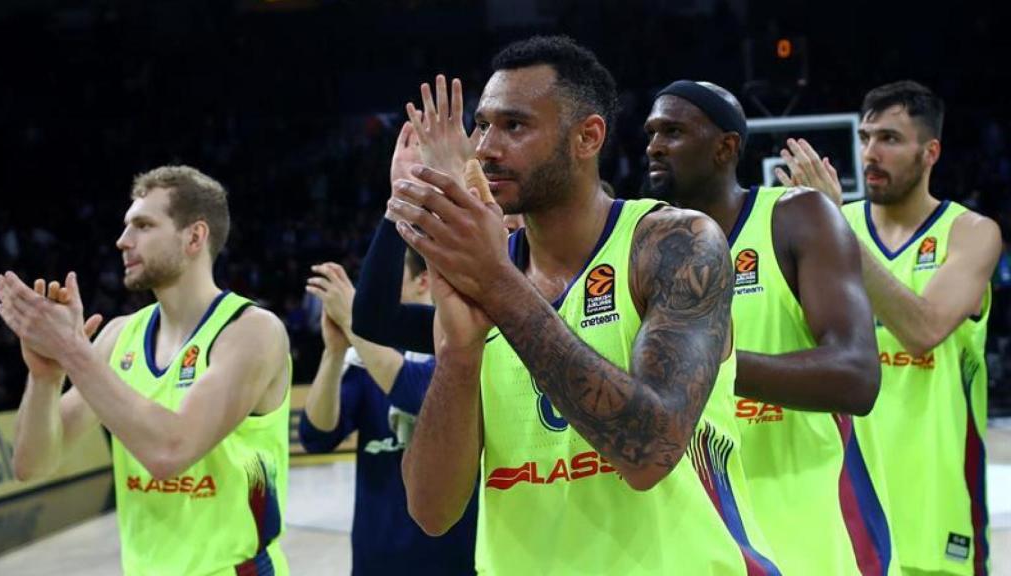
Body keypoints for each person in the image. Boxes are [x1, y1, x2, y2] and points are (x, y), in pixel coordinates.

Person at [391, 35, 778, 574]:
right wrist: (458, 352)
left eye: (515, 125)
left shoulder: (673, 244)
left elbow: (649, 452)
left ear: (587, 136)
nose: (484, 148)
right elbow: (432, 512)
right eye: (481, 125)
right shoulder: (484, 276)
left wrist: (500, 286)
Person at [644, 80, 896, 575]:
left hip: (810, 528)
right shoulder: (647, 243)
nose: (654, 145)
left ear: (726, 147)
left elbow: (857, 375)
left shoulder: (795, 217)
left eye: (673, 131)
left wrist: (704, 367)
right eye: (651, 132)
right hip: (704, 538)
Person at [0, 166, 291, 575]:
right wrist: (47, 377)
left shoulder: (251, 331)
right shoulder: (119, 337)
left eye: (143, 225)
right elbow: (32, 465)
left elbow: (171, 452)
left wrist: (72, 350)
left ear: (194, 236)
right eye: (125, 226)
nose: (122, 241)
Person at [776, 80, 1000, 576]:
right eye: (865, 137)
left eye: (890, 139)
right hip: (845, 518)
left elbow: (922, 329)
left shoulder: (970, 234)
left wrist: (835, 228)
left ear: (930, 152)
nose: (871, 153)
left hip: (937, 519)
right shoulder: (831, 229)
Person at [298, 255, 476, 575]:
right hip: (375, 560)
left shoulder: (458, 343)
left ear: (423, 281)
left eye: (385, 275)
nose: (371, 290)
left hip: (452, 559)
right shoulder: (363, 358)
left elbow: (414, 393)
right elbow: (317, 437)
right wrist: (334, 352)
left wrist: (355, 323)